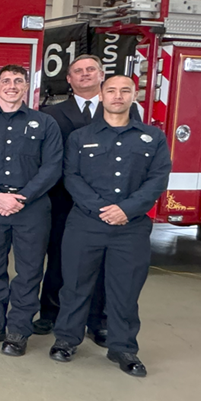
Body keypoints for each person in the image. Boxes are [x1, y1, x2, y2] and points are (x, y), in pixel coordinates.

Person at [49, 76, 171, 376]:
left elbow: (157, 179)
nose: (118, 96)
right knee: (75, 286)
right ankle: (66, 340)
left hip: (130, 227)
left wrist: (125, 209)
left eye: (125, 91)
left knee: (125, 290)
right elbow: (71, 176)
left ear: (134, 96)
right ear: (101, 96)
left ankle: (123, 348)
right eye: (112, 91)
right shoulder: (80, 137)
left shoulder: (152, 138)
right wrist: (100, 208)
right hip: (86, 224)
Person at [0, 65, 62, 357]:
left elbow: (52, 166)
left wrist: (22, 197)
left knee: (28, 272)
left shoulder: (45, 124)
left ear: (26, 87)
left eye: (18, 81)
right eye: (5, 80)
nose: (11, 85)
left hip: (31, 209)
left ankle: (18, 330)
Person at [37, 54, 136, 342]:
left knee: (102, 264)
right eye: (77, 71)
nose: (84, 75)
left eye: (90, 70)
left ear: (101, 75)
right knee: (57, 258)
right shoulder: (52, 114)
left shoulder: (126, 111)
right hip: (63, 201)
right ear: (68, 79)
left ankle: (97, 320)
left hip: (109, 205)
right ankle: (50, 313)